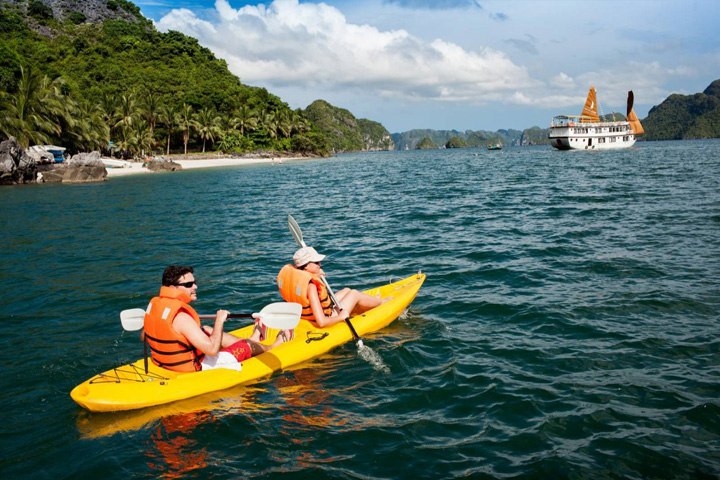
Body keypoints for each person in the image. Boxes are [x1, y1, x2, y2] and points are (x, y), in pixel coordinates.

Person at [143, 265, 292, 372]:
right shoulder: (181, 317)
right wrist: (219, 320)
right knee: (246, 346)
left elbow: (145, 336)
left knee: (206, 330)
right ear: (173, 288)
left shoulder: (156, 307)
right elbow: (212, 350)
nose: (195, 287)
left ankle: (255, 339)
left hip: (165, 363)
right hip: (198, 367)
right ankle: (272, 346)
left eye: (194, 282)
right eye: (189, 284)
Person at [277, 246, 387, 328]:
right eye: (316, 262)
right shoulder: (311, 286)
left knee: (346, 290)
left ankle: (372, 302)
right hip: (326, 318)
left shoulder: (299, 276)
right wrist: (340, 317)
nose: (320, 265)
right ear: (306, 266)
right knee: (353, 293)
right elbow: (322, 322)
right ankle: (381, 303)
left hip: (307, 316)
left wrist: (316, 275)